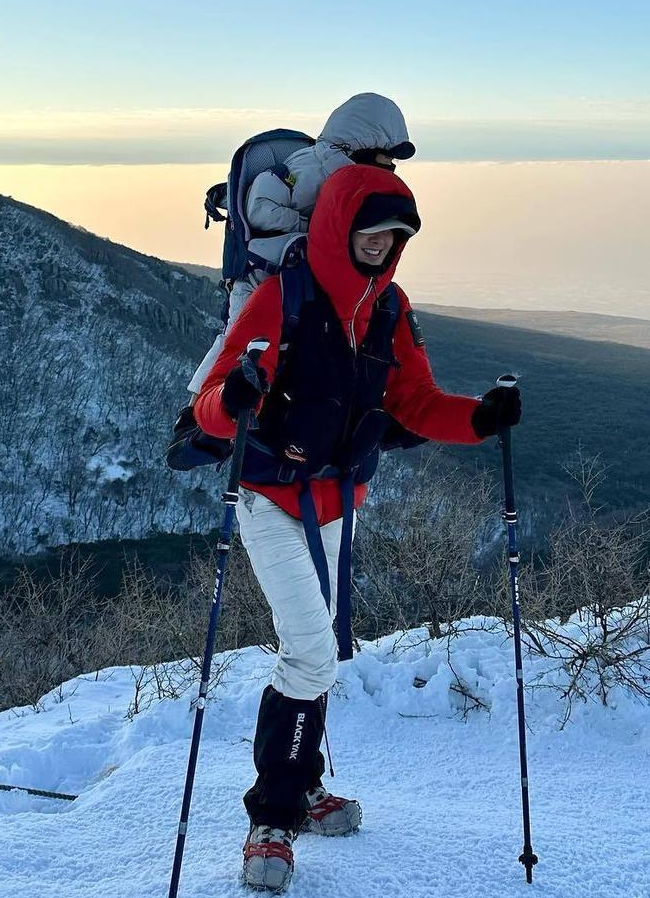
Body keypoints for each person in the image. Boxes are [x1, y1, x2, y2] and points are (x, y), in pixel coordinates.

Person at [192, 162, 522, 893]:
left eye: (395, 236)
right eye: (371, 231)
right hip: (270, 497)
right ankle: (271, 818)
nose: (381, 245)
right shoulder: (285, 297)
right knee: (310, 651)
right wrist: (239, 389)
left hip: (338, 498)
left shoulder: (389, 309)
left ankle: (300, 788)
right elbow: (215, 403)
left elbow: (415, 401)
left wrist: (479, 416)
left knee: (319, 654)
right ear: (340, 226)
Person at [186, 92, 416, 394]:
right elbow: (261, 210)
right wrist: (317, 231)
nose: (391, 165)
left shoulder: (345, 175)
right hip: (260, 280)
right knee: (235, 352)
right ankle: (196, 420)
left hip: (303, 283)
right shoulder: (308, 169)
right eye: (387, 156)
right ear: (360, 143)